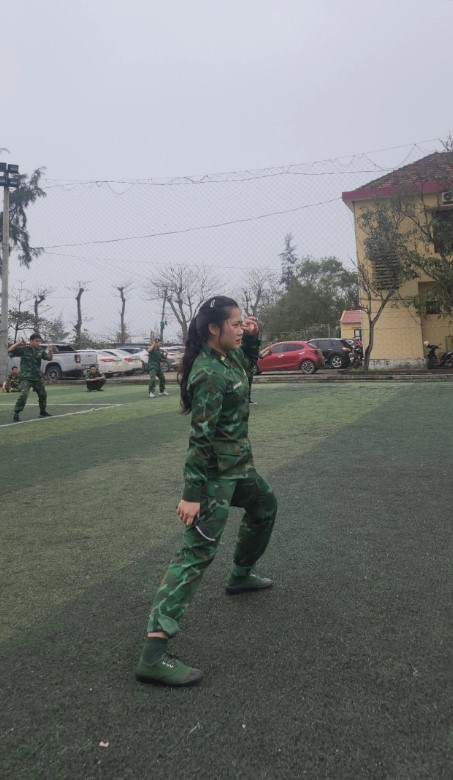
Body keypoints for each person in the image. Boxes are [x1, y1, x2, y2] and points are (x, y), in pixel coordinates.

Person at [135, 296, 278, 687]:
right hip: (214, 477)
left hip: (239, 469)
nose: (240, 327)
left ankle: (241, 575)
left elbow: (249, 368)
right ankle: (154, 652)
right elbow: (200, 439)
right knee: (195, 555)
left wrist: (253, 339)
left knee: (265, 506)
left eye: (241, 323)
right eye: (234, 323)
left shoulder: (228, 359)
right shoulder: (208, 373)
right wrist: (192, 493)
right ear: (214, 328)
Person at [7, 334, 53, 423]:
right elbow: (9, 350)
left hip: (37, 377)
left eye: (39, 341)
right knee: (23, 395)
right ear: (31, 341)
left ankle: (42, 411)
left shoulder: (40, 350)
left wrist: (50, 351)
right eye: (36, 341)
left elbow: (49, 358)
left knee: (43, 395)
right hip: (26, 377)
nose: (38, 343)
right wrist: (19, 342)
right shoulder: (24, 349)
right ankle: (16, 414)